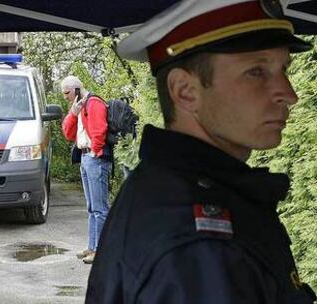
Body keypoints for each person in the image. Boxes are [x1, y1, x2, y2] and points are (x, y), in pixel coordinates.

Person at [85, 0, 316, 303]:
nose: (290, 94)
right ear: (185, 91)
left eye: (283, 69)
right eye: (257, 71)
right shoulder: (200, 245)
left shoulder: (171, 192)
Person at [61, 76, 112, 264]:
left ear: (76, 89)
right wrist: (73, 114)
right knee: (91, 207)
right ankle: (92, 246)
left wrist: (95, 153)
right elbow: (67, 133)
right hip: (84, 157)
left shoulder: (94, 103)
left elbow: (100, 131)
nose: (65, 96)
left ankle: (100, 250)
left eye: (67, 92)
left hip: (94, 158)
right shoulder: (78, 105)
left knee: (99, 208)